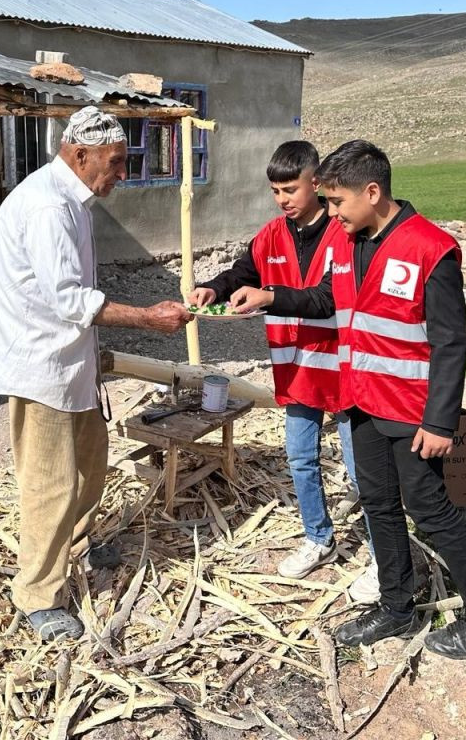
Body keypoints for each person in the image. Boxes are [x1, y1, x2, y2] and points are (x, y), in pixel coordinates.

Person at [231, 140, 466, 660]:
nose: (333, 213)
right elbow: (325, 299)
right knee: (379, 506)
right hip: (360, 403)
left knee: (430, 513)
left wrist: (440, 421)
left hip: (412, 413)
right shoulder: (345, 243)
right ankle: (395, 607)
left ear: (372, 191)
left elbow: (450, 342)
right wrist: (270, 296)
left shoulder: (430, 247)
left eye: (338, 202)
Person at [0, 106, 193, 642]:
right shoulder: (49, 207)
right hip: (41, 365)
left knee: (90, 466)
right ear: (80, 155)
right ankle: (37, 594)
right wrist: (146, 317)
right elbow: (68, 298)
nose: (121, 175)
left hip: (68, 359)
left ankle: (75, 544)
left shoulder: (72, 200)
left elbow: (65, 295)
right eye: (116, 164)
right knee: (49, 482)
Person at [190, 141, 377, 597]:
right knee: (300, 459)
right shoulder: (271, 235)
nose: (283, 199)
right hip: (296, 370)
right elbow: (242, 271)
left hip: (344, 369)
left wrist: (269, 296)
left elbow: (327, 298)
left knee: (361, 468)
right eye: (275, 191)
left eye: (291, 189)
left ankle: (379, 553)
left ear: (316, 183)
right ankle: (319, 539)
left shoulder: (345, 233)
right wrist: (214, 288)